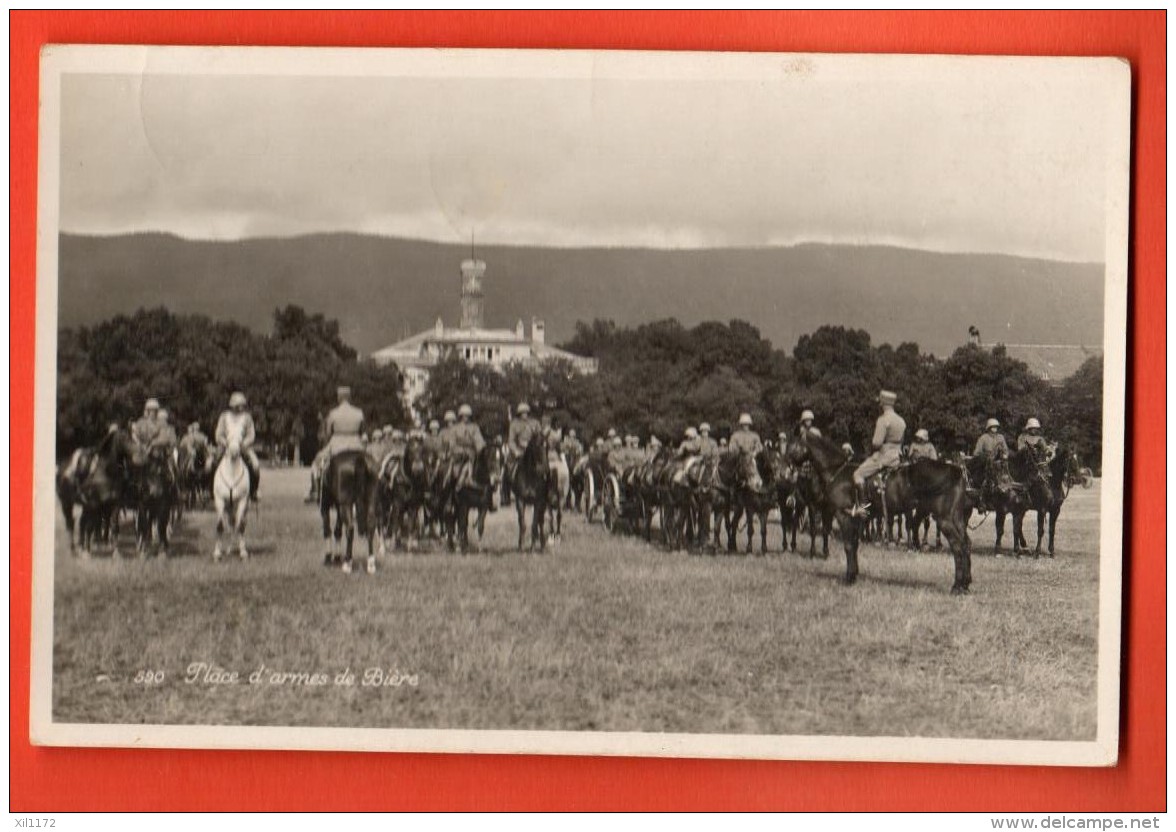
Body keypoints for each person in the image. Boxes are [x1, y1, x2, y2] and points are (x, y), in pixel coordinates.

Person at [852, 390, 907, 516]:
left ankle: (863, 507)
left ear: (883, 404)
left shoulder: (883, 420)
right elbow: (902, 440)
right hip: (896, 457)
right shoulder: (901, 421)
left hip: (884, 457)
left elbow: (876, 443)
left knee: (858, 474)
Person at [215, 391, 262, 502]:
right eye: (238, 405)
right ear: (232, 406)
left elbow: (251, 434)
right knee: (211, 463)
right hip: (226, 447)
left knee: (255, 465)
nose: (241, 408)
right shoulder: (224, 416)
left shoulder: (247, 418)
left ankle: (254, 491)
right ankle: (212, 490)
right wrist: (224, 442)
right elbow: (218, 434)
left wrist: (244, 443)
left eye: (242, 405)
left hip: (243, 447)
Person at [449, 403, 487, 492]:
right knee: (453, 470)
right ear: (460, 416)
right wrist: (461, 451)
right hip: (459, 454)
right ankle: (460, 483)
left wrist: (480, 447)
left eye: (468, 416)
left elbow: (479, 439)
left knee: (483, 463)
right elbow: (452, 444)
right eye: (464, 416)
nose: (466, 417)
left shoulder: (474, 427)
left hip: (472, 452)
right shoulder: (455, 428)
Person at [130, 398, 162, 464]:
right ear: (147, 411)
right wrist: (138, 443)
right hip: (141, 448)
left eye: (155, 411)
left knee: (157, 456)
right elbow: (134, 435)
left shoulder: (160, 423)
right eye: (151, 410)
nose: (153, 413)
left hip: (154, 449)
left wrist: (151, 446)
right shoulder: (141, 422)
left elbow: (161, 437)